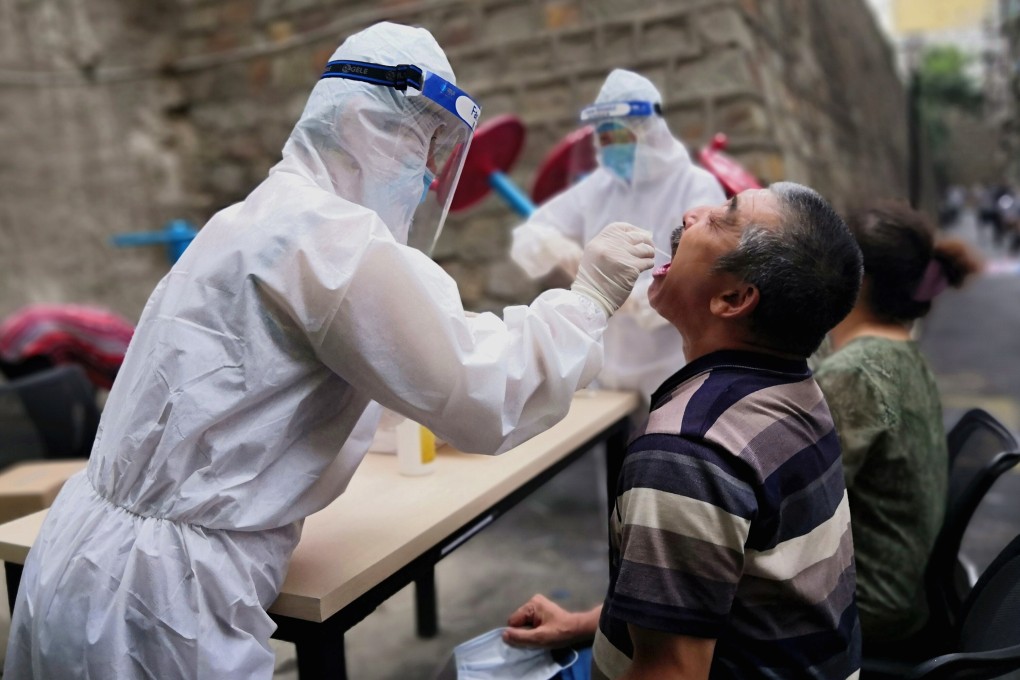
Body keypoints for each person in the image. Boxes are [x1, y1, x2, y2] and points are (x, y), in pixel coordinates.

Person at [4, 22, 656, 679]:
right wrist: (588, 300)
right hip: (167, 606)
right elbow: (485, 392)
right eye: (420, 143)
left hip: (80, 559)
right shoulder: (331, 236)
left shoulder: (250, 218)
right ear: (357, 123)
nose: (427, 177)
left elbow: (263, 383)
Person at [505, 184, 864, 679]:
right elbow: (718, 586)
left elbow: (672, 672)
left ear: (733, 298)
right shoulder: (793, 390)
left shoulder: (686, 453)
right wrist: (590, 626)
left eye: (720, 220)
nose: (693, 213)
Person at [812, 202, 982, 649]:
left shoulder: (854, 372)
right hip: (903, 589)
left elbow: (802, 504)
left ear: (857, 280)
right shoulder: (898, 350)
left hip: (867, 602)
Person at [510, 69, 726, 404]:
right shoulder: (600, 186)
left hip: (676, 371)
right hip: (608, 377)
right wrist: (554, 247)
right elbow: (530, 234)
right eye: (605, 138)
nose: (612, 147)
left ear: (648, 130)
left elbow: (703, 277)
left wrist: (637, 299)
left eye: (620, 136)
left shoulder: (695, 185)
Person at [0, 303, 134, 390]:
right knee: (47, 402)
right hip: (30, 339)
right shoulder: (126, 360)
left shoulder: (126, 341)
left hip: (23, 328)